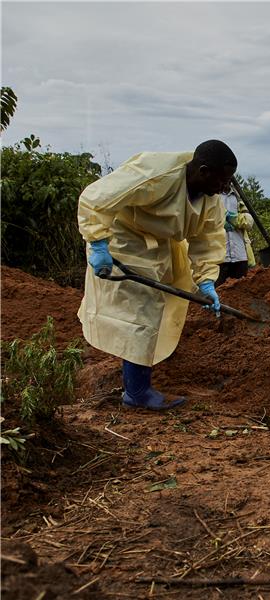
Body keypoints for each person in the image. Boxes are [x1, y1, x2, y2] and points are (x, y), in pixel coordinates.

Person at [78, 140, 237, 410]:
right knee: (142, 310)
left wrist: (206, 279)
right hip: (124, 239)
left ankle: (139, 378)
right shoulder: (154, 173)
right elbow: (96, 199)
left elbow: (208, 238)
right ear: (203, 170)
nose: (224, 187)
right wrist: (98, 243)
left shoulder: (210, 199)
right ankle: (137, 393)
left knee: (158, 307)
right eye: (221, 180)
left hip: (160, 247)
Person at [217, 184, 255, 285]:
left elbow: (249, 221)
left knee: (241, 291)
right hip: (219, 257)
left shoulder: (237, 196)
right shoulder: (212, 195)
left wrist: (234, 218)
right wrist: (219, 221)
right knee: (218, 292)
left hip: (240, 255)